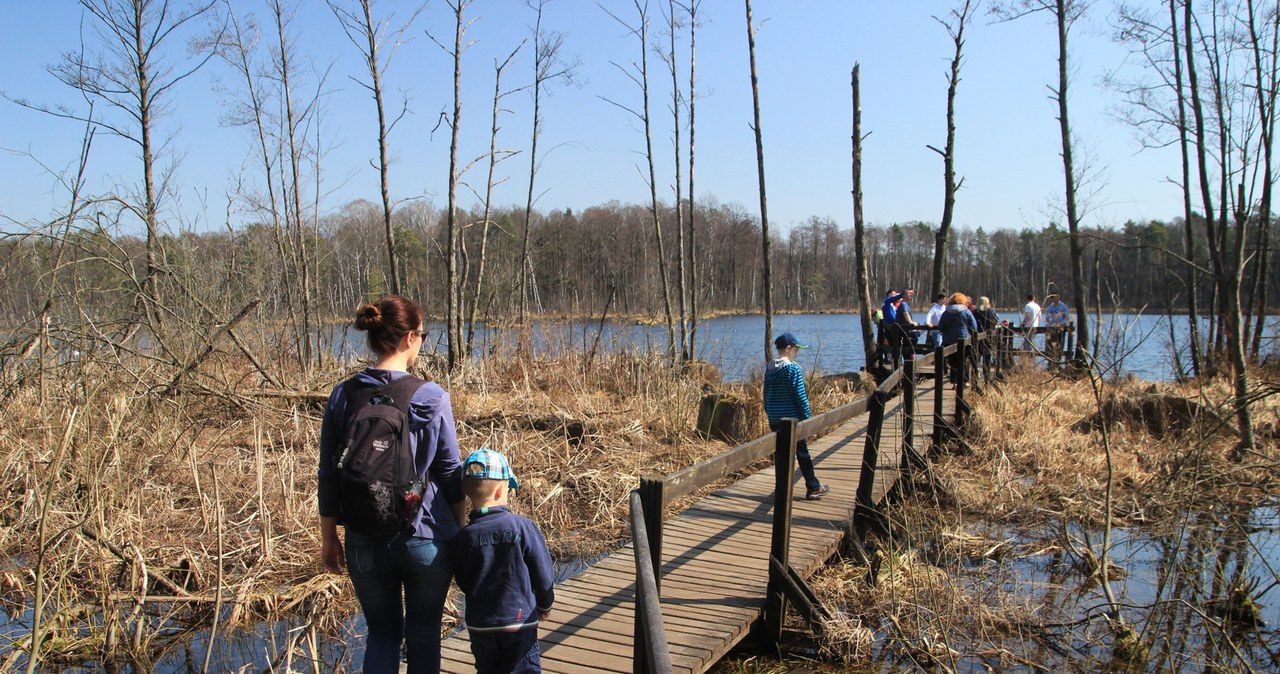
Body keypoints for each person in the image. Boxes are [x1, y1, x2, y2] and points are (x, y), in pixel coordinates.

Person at [318, 294, 467, 674]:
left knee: (382, 633)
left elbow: (328, 472)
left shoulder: (343, 395)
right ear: (410, 338)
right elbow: (450, 471)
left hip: (364, 535)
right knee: (424, 633)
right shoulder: (431, 396)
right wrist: (462, 528)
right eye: (423, 334)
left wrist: (329, 537)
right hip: (426, 537)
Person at [453, 448, 555, 674]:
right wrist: (545, 603)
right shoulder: (522, 526)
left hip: (480, 624)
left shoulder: (463, 537)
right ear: (501, 490)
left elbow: (463, 579)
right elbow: (543, 570)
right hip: (518, 621)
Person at [764, 333, 829, 500]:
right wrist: (807, 417)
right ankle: (813, 487)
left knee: (781, 455)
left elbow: (766, 395)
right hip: (792, 420)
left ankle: (782, 490)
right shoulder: (793, 369)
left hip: (774, 418)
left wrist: (770, 413)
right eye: (796, 349)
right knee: (802, 453)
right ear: (788, 348)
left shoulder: (769, 368)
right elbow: (800, 396)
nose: (797, 353)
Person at [938, 292, 979, 385]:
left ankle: (954, 380)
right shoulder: (966, 311)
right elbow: (974, 325)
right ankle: (964, 380)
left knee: (952, 361)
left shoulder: (946, 312)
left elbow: (940, 326)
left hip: (949, 340)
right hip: (963, 339)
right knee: (963, 360)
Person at [1044, 294, 1069, 365]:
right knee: (1050, 344)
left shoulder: (1063, 307)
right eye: (1053, 297)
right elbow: (1047, 318)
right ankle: (1050, 361)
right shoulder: (1050, 307)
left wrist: (1062, 324)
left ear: (1059, 297)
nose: (1055, 299)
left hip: (1060, 329)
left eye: (1056, 297)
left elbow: (1067, 318)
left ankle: (1058, 360)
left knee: (1059, 344)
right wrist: (1047, 326)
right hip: (1051, 329)